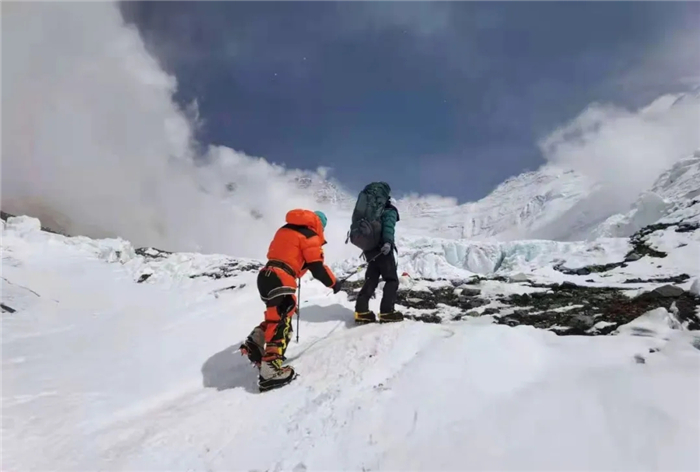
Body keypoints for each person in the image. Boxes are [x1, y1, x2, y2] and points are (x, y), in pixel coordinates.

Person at [240, 209, 342, 392]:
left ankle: (255, 342)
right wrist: (334, 284)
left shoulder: (285, 230)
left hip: (266, 276)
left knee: (275, 316)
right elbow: (317, 268)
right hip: (281, 278)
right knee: (282, 323)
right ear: (319, 225)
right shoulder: (310, 236)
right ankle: (270, 371)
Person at [353, 183, 404, 324]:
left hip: (369, 249)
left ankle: (361, 311)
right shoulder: (389, 210)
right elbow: (389, 227)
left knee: (371, 279)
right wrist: (387, 242)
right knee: (391, 279)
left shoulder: (369, 212)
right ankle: (387, 312)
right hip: (383, 249)